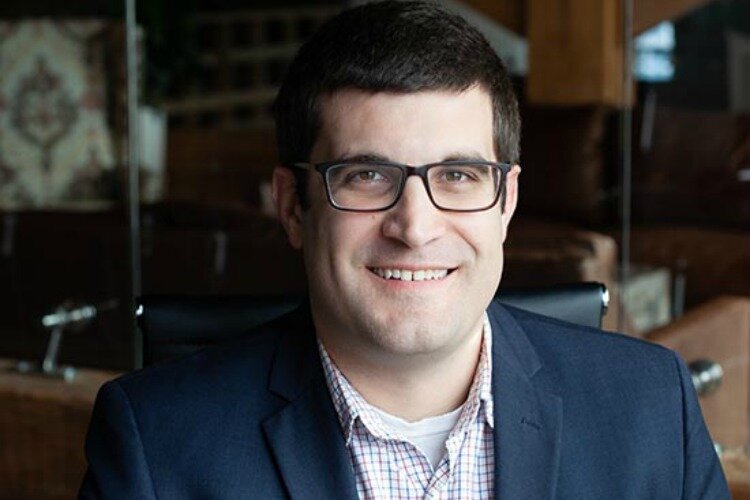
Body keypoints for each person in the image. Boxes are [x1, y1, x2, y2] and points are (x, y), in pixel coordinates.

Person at [79, 2, 729, 498]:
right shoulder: (155, 447)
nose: (415, 227)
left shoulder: (652, 409)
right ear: (293, 206)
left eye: (459, 175)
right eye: (366, 175)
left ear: (505, 201)